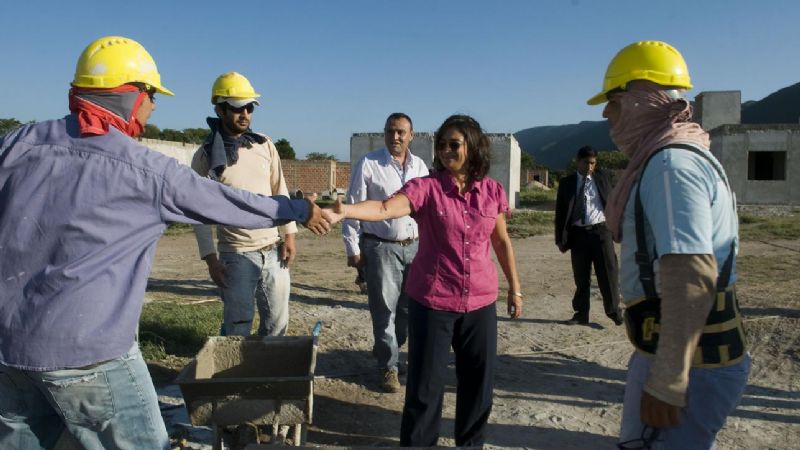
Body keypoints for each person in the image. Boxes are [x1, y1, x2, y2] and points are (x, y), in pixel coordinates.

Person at [0, 36, 330, 449]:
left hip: (9, 349)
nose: (154, 107)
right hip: (90, 355)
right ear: (131, 96)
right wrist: (297, 210)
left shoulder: (16, 143)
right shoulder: (146, 170)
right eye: (152, 96)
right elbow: (225, 203)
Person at [587, 40, 750, 448]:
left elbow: (692, 274)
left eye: (614, 102)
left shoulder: (670, 166)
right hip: (688, 355)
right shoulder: (675, 157)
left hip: (690, 365)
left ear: (640, 101)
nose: (606, 114)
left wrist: (668, 381)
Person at [329, 114, 522, 447]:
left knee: (478, 387)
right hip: (433, 302)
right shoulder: (427, 187)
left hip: (480, 303)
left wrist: (515, 289)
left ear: (473, 147)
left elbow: (502, 242)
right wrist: (346, 211)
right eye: (442, 144)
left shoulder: (492, 191)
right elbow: (386, 208)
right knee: (425, 388)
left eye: (454, 144)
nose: (446, 151)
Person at [192, 72, 296, 337]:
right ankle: (237, 365)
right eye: (238, 108)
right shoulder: (206, 157)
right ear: (220, 109)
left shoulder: (264, 145)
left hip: (273, 251)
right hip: (235, 255)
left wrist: (289, 235)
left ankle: (268, 363)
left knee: (277, 324)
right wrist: (210, 259)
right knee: (238, 326)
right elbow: (197, 212)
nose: (245, 114)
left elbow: (279, 189)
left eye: (250, 108)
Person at [341, 112, 429, 392]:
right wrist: (353, 248)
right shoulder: (369, 164)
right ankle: (388, 367)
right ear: (384, 133)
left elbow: (427, 207)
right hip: (380, 248)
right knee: (384, 309)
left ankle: (387, 347)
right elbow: (353, 205)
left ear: (411, 135)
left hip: (415, 248)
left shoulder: (420, 166)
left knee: (407, 310)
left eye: (401, 132)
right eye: (391, 131)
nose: (396, 137)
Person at [554, 145, 623, 326]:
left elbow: (618, 198)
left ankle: (614, 311)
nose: (590, 167)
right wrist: (560, 238)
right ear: (578, 162)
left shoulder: (604, 178)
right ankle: (581, 314)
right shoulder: (567, 183)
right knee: (581, 277)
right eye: (586, 163)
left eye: (593, 163)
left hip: (601, 232)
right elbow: (560, 212)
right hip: (578, 235)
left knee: (608, 273)